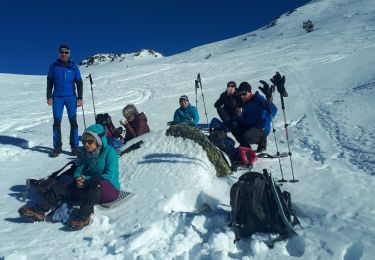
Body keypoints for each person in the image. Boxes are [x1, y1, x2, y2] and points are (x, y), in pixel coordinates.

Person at [18, 124, 121, 229]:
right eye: (84, 142)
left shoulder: (110, 152)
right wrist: (78, 178)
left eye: (90, 141)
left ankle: (83, 217)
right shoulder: (87, 153)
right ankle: (39, 209)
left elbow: (109, 175)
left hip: (109, 191)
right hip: (90, 190)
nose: (86, 144)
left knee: (96, 180)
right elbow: (79, 168)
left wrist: (86, 179)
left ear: (99, 141)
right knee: (63, 186)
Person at [47, 44, 83, 157]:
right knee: (56, 122)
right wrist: (49, 96)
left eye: (66, 52)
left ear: (69, 54)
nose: (64, 54)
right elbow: (50, 82)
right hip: (57, 97)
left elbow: (79, 83)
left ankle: (75, 147)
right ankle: (57, 148)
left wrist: (80, 98)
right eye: (62, 52)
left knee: (73, 122)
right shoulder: (54, 66)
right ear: (59, 53)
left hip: (71, 97)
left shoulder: (73, 67)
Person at [235, 81, 277, 152]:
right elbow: (245, 117)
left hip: (261, 129)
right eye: (240, 95)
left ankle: (262, 143)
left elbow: (273, 109)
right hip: (251, 127)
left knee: (245, 136)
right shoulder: (244, 103)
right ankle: (245, 146)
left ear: (249, 92)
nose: (242, 96)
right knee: (235, 127)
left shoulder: (258, 98)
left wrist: (265, 122)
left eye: (244, 94)